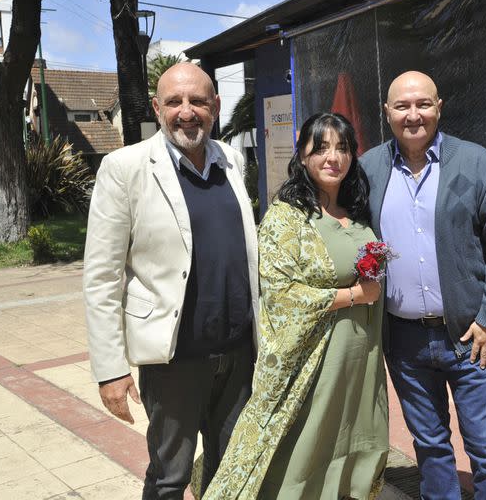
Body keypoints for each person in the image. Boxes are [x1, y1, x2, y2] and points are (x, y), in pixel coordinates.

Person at [82, 62, 258, 499]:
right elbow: (102, 277)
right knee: (169, 478)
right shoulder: (125, 168)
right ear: (158, 108)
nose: (187, 111)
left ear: (215, 107)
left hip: (238, 356)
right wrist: (110, 370)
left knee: (232, 472)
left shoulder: (232, 161)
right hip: (173, 360)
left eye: (198, 101)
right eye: (175, 101)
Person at [204, 112, 388, 499]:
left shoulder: (357, 212)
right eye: (320, 148)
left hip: (360, 359)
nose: (332, 157)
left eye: (342, 148)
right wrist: (355, 295)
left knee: (353, 440)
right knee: (305, 449)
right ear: (302, 157)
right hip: (313, 364)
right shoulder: (287, 219)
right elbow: (281, 295)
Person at [360, 71, 486, 499]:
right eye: (402, 106)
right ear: (387, 113)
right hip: (405, 341)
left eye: (423, 104)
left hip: (470, 338)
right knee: (430, 448)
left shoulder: (475, 163)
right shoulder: (369, 169)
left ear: (439, 107)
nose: (413, 115)